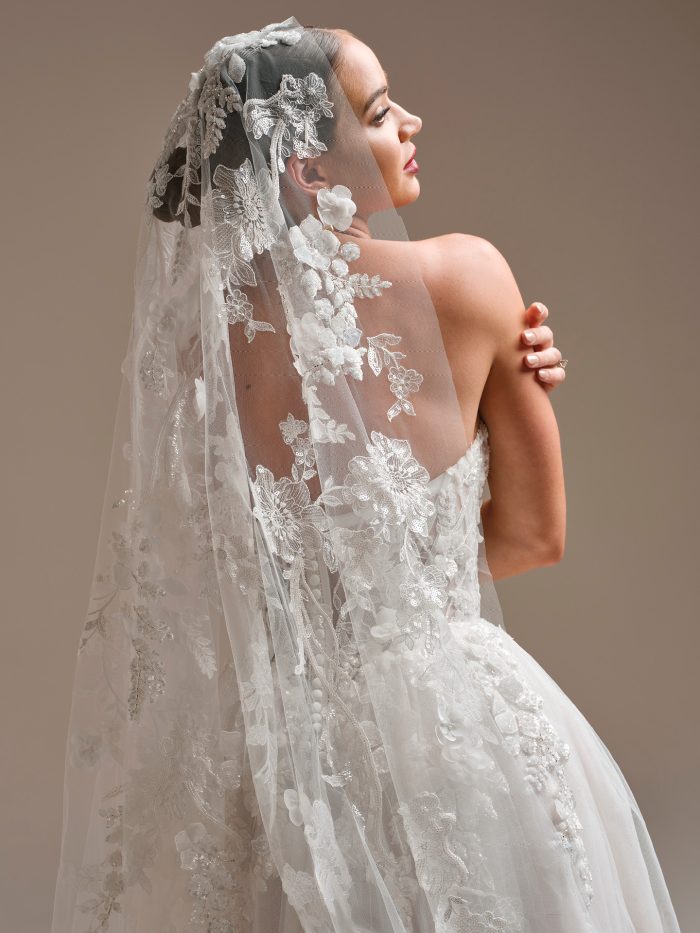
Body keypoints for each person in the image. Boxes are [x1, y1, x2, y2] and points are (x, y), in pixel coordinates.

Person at [50, 17, 680, 933]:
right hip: (467, 744)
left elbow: (212, 583)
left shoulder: (199, 347)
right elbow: (535, 537)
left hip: (292, 769)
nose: (412, 121)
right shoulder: (473, 279)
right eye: (382, 112)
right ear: (308, 169)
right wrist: (508, 389)